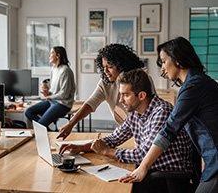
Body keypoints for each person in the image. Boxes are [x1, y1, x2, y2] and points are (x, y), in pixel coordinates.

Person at [59, 69, 193, 193]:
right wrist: (83, 147)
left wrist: (106, 151)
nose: (120, 100)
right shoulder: (136, 113)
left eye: (125, 95)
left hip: (166, 177)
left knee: (107, 188)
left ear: (141, 95)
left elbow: (143, 155)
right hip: (149, 171)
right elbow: (114, 138)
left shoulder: (161, 112)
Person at [119, 36, 218, 193]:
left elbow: (169, 130)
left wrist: (143, 167)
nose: (162, 68)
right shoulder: (198, 83)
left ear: (178, 60)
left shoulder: (193, 87)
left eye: (164, 61)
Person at [57, 43, 155, 140]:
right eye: (103, 67)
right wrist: (71, 124)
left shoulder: (141, 80)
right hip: (126, 131)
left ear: (122, 66)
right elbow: (91, 103)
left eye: (110, 67)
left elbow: (151, 110)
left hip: (145, 131)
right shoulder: (105, 83)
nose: (105, 71)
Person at [24, 46, 75, 131]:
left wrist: (50, 97)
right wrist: (47, 92)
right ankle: (49, 132)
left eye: (51, 53)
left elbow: (64, 94)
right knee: (28, 112)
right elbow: (54, 90)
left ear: (58, 56)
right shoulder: (53, 69)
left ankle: (44, 131)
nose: (49, 55)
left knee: (40, 125)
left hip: (63, 104)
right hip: (52, 101)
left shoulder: (66, 71)